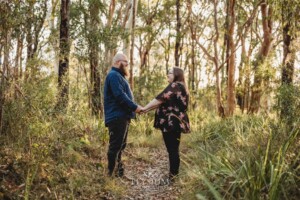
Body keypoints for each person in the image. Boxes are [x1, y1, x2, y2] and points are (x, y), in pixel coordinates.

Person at [142, 67, 190, 182]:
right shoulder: (181, 86)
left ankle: (172, 177)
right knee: (174, 149)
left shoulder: (175, 86)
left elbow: (159, 99)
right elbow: (162, 102)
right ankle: (173, 176)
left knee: (172, 150)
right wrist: (146, 110)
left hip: (171, 122)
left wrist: (144, 108)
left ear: (176, 75)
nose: (167, 75)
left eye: (169, 73)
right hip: (175, 122)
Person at [104, 52, 143, 177]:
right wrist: (135, 107)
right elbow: (120, 96)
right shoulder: (113, 75)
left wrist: (134, 109)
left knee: (121, 146)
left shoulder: (119, 76)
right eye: (125, 62)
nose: (127, 64)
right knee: (115, 146)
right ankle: (110, 175)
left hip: (123, 116)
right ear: (117, 62)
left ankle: (119, 173)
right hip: (116, 117)